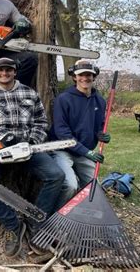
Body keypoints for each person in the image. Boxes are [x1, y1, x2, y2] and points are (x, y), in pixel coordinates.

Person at [0, 57, 64, 257]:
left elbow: (41, 121)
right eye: (0, 70)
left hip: (25, 146)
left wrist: (31, 141)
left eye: (9, 70)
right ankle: (14, 225)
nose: (4, 73)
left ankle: (36, 222)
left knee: (55, 175)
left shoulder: (29, 93)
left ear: (15, 72)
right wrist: (2, 136)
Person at [49, 60, 111, 210]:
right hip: (62, 150)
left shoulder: (100, 101)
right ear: (75, 77)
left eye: (89, 75)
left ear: (94, 76)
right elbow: (62, 132)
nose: (85, 78)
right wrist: (86, 152)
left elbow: (100, 124)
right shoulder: (63, 99)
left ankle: (80, 213)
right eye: (81, 75)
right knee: (70, 185)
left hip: (83, 152)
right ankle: (58, 216)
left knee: (94, 189)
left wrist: (101, 134)